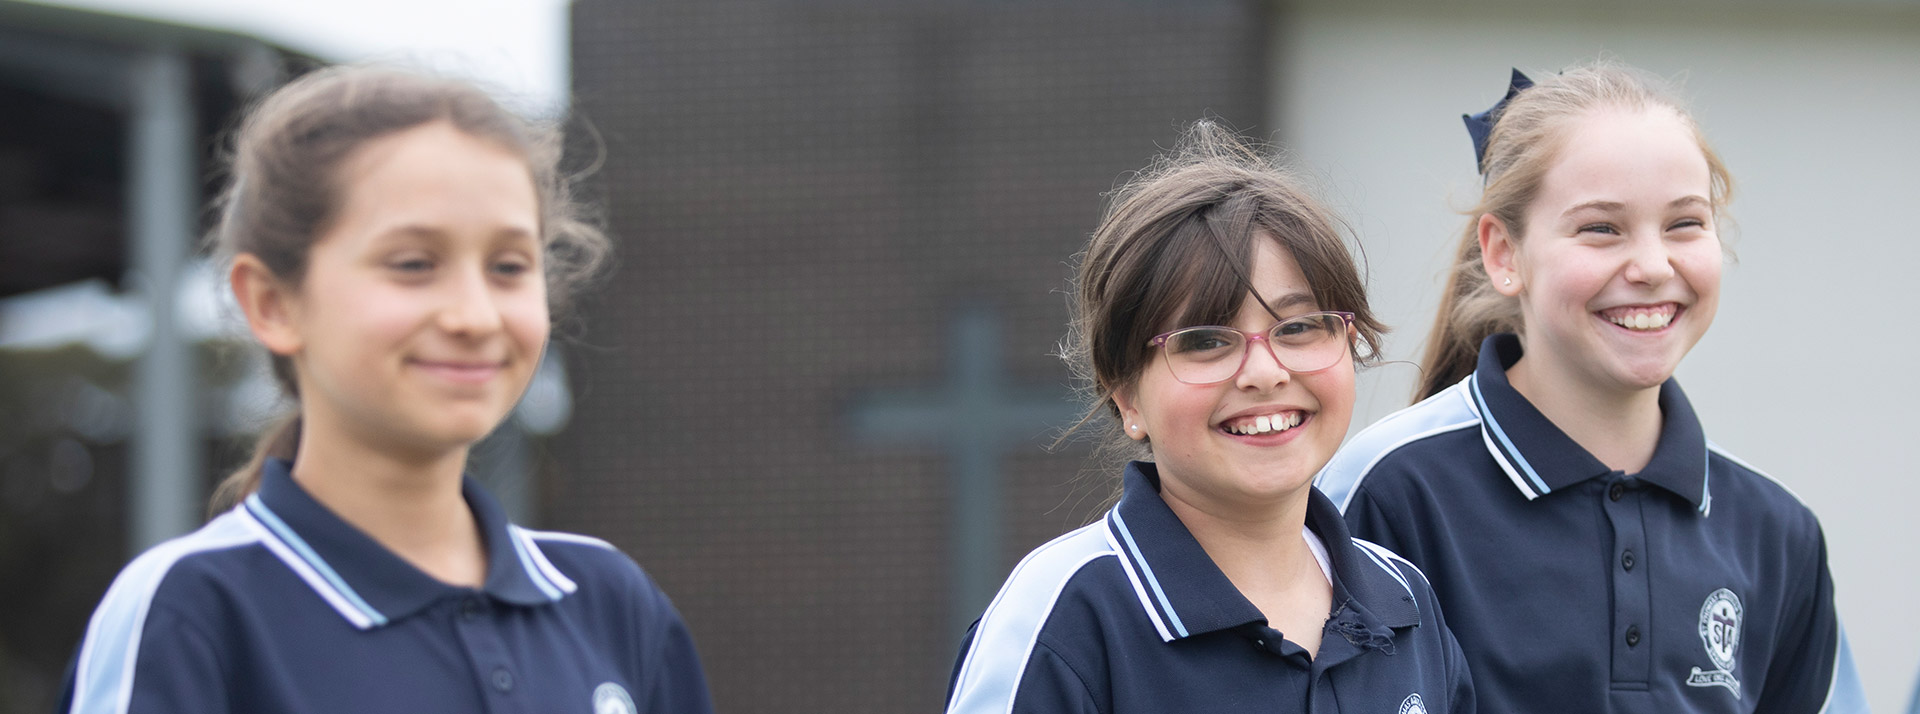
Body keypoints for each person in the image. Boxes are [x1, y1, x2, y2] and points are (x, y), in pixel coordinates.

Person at [58, 66, 713, 714]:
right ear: (272, 303)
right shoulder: (190, 611)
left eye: (509, 267)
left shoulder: (612, 604)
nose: (475, 316)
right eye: (413, 264)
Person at [1315, 61, 1867, 713]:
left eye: (1684, 223)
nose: (1653, 266)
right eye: (1601, 228)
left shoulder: (1777, 530)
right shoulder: (1384, 490)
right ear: (1503, 254)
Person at [944, 123, 1473, 714]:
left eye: (1298, 327)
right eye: (1205, 341)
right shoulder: (1063, 620)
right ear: (1127, 396)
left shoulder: (1406, 601)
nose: (1264, 372)